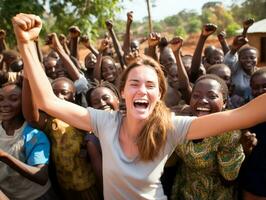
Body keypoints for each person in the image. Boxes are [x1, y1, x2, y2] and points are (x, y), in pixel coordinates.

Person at [12, 14, 266, 199]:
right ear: (122, 92)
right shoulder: (104, 122)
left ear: (159, 95)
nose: (142, 90)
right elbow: (47, 101)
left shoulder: (171, 127)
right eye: (134, 83)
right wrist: (25, 43)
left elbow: (243, 115)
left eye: (150, 85)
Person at [171, 74, 244, 200]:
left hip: (213, 194)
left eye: (212, 96)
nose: (203, 100)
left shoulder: (228, 132)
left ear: (225, 102)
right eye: (196, 96)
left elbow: (229, 178)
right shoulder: (183, 122)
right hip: (184, 190)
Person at [0, 80, 57, 200]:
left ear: (25, 103)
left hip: (37, 196)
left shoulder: (34, 135)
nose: (4, 104)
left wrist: (4, 156)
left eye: (13, 99)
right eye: (0, 99)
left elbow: (41, 176)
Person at [238, 67, 266, 200]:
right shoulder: (246, 111)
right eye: (256, 87)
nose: (261, 91)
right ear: (250, 88)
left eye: (265, 86)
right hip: (254, 174)